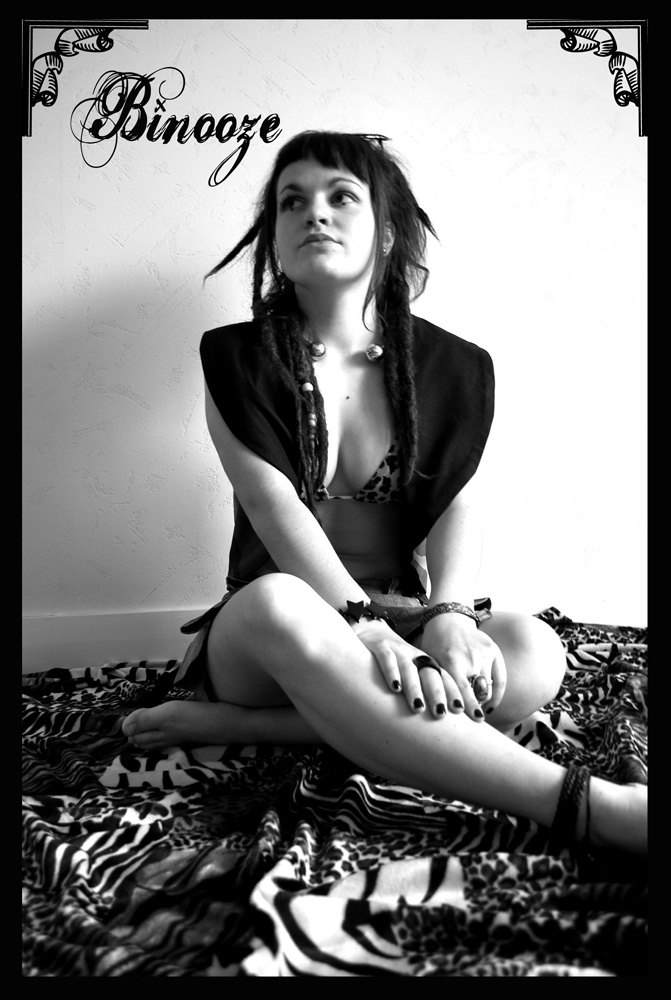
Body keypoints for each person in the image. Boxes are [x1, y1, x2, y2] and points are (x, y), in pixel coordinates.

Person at [122, 130, 646, 855]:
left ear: (389, 232)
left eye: (342, 197)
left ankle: (262, 728)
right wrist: (360, 625)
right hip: (274, 635)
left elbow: (459, 503)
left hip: (401, 621)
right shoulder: (234, 358)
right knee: (280, 601)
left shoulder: (454, 366)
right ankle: (589, 808)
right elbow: (274, 508)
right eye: (291, 201)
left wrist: (450, 616)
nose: (314, 212)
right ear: (275, 238)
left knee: (535, 651)